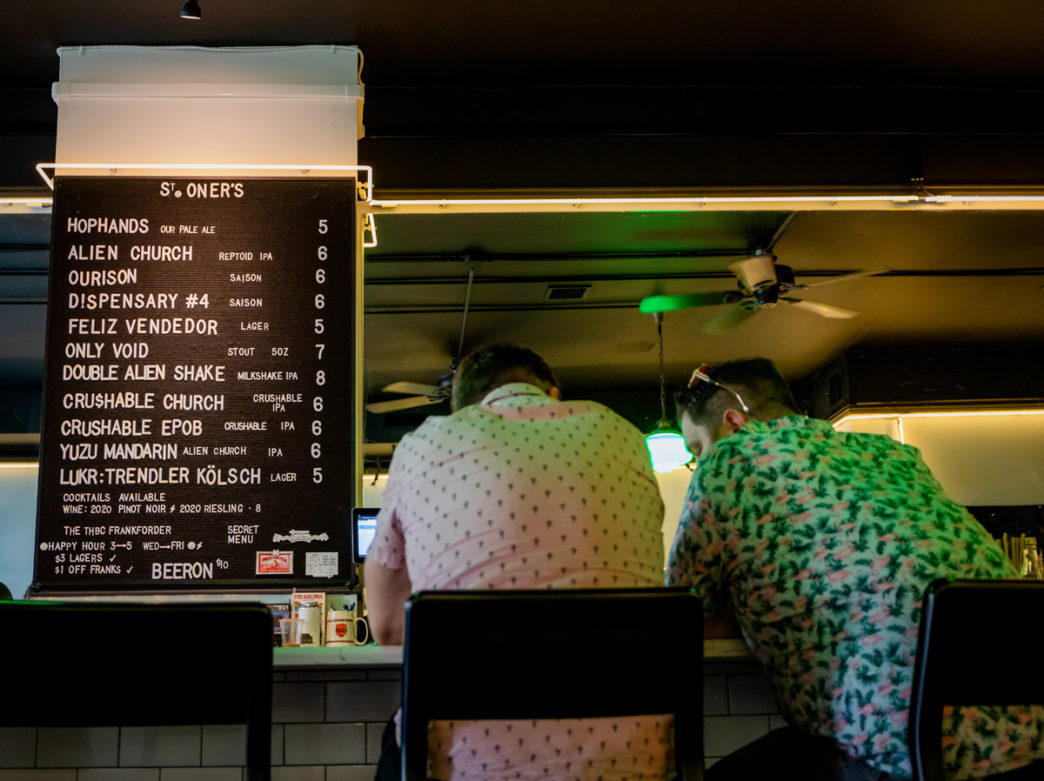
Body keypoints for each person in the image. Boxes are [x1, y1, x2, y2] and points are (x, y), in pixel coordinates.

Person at [666, 357, 1041, 781]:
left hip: (896, 746)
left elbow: (683, 614)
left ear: (733, 421)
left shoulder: (731, 457)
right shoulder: (893, 453)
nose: (699, 462)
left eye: (697, 449)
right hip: (1027, 734)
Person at [365, 342, 668, 781]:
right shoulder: (625, 436)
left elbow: (390, 630)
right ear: (553, 393)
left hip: (464, 767)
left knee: (394, 742)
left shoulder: (425, 443)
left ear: (464, 409)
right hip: (636, 765)